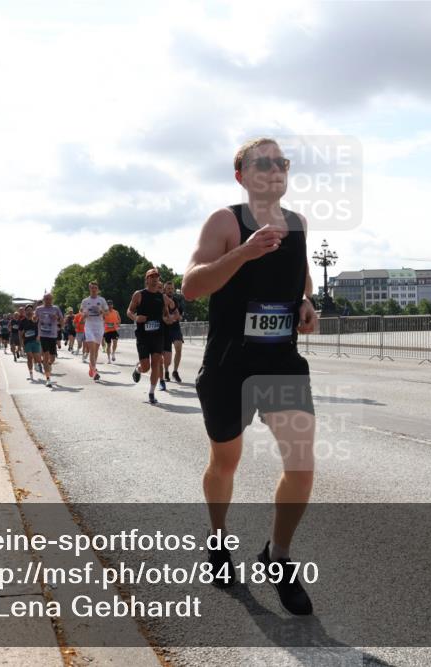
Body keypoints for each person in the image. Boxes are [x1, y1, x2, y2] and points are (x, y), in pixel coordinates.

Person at [181, 137, 318, 615]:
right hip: (229, 364)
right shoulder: (226, 221)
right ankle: (218, 540)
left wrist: (305, 302)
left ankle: (277, 556)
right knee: (226, 462)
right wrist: (242, 253)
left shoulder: (298, 223)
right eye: (263, 162)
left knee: (301, 465)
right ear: (241, 173)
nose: (275, 169)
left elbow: (301, 275)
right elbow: (192, 286)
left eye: (281, 162)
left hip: (281, 360)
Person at [127, 268, 174, 403]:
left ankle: (152, 393)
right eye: (151, 277)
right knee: (146, 367)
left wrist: (168, 318)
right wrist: (136, 318)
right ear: (147, 279)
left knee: (156, 363)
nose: (154, 279)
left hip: (158, 335)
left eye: (156, 277)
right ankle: (138, 369)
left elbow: (166, 314)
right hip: (143, 336)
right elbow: (129, 311)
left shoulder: (162, 297)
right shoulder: (139, 295)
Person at [80, 281, 109, 381]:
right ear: (89, 289)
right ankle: (95, 371)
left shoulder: (102, 300)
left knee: (96, 351)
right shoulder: (85, 301)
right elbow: (82, 313)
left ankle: (92, 367)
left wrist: (101, 311)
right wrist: (84, 314)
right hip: (89, 327)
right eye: (92, 288)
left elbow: (107, 313)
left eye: (95, 288)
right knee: (92, 350)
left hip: (99, 327)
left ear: (98, 289)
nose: (93, 289)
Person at [35, 293, 64, 387]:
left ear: (52, 299)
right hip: (43, 335)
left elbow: (62, 320)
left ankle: (48, 364)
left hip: (53, 335)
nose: (48, 300)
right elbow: (34, 319)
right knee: (46, 355)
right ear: (43, 299)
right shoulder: (39, 309)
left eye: (49, 299)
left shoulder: (56, 308)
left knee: (52, 358)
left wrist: (58, 321)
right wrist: (35, 318)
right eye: (46, 299)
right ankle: (48, 379)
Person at [161, 281, 185, 382]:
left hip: (175, 328)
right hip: (165, 330)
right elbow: (160, 316)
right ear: (164, 290)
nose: (170, 290)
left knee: (178, 347)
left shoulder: (177, 300)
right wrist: (166, 319)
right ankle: (166, 370)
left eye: (172, 289)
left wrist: (175, 317)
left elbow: (180, 315)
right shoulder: (161, 300)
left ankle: (175, 371)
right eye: (168, 289)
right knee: (167, 357)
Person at [17, 305, 40, 381]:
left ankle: (36, 363)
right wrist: (21, 343)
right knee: (29, 358)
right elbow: (20, 333)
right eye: (28, 310)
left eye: (31, 310)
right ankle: (31, 374)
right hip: (27, 342)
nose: (29, 311)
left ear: (32, 311)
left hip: (36, 341)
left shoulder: (36, 319)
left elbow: (40, 328)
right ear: (25, 311)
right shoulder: (22, 321)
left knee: (37, 358)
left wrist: (39, 336)